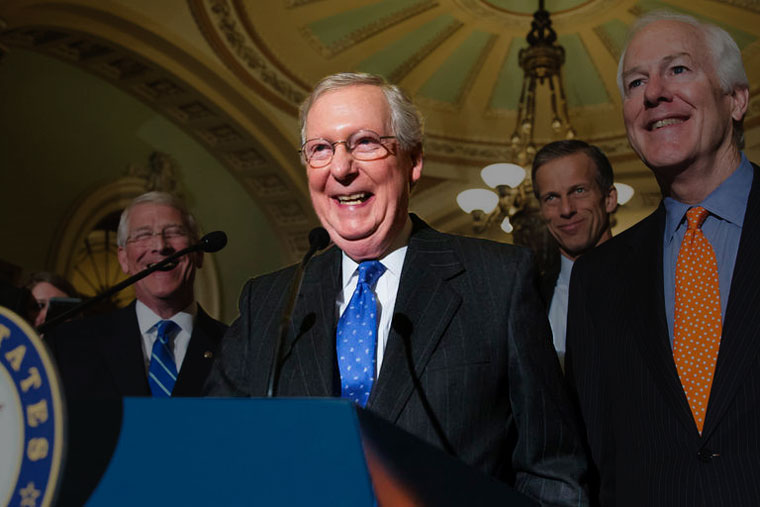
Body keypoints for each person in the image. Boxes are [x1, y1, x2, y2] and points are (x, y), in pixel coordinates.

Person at [206, 72, 588, 504]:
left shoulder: (497, 281)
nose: (341, 167)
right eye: (321, 149)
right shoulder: (268, 302)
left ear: (413, 160)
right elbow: (217, 455)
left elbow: (553, 470)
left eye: (365, 142)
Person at [565, 11, 756, 506]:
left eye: (678, 70)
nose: (653, 93)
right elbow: (590, 457)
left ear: (735, 99)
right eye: (635, 82)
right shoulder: (597, 279)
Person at [48, 192, 228, 399]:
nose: (160, 246)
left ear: (198, 254)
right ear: (123, 258)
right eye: (143, 235)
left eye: (174, 233)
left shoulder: (237, 348)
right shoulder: (71, 344)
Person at [532, 140, 617, 367]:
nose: (566, 210)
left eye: (579, 191)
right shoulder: (530, 298)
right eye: (551, 197)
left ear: (609, 199)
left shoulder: (654, 278)